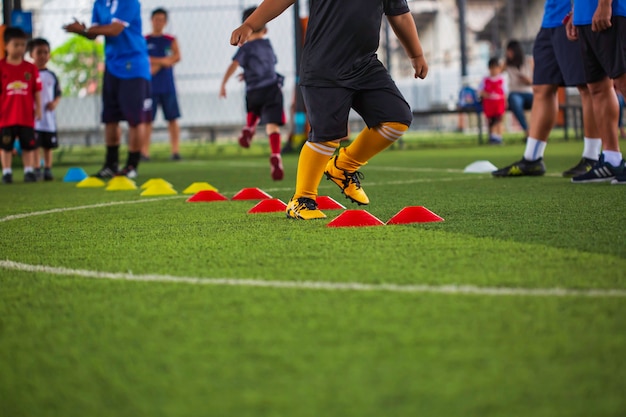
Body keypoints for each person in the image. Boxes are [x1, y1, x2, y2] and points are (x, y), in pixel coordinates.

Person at [230, 0, 427, 219]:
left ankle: (343, 167)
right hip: (323, 67)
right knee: (327, 136)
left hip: (365, 66)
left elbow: (400, 15)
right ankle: (301, 200)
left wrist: (416, 55)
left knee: (397, 118)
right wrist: (249, 24)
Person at [492, 0, 603, 178]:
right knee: (542, 88)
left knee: (587, 86)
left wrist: (577, 10)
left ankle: (592, 157)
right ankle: (532, 158)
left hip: (575, 15)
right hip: (549, 21)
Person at [63, 0, 151, 179]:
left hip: (133, 66)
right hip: (112, 66)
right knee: (110, 118)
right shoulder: (99, 4)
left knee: (134, 119)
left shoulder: (130, 2)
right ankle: (110, 164)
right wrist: (83, 30)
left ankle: (132, 165)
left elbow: (114, 29)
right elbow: (94, 34)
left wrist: (85, 30)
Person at [220, 6, 285, 181]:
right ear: (266, 28)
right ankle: (276, 155)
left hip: (254, 89)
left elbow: (233, 65)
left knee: (254, 109)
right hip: (272, 87)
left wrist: (224, 83)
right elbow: (269, 65)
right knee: (273, 125)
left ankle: (249, 128)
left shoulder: (245, 49)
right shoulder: (268, 44)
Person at [566, 0, 626, 184]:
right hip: (585, 16)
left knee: (623, 81)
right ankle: (611, 160)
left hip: (612, 11)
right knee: (598, 88)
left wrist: (605, 4)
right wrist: (576, 13)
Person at [0, 27, 42, 184]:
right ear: (5, 45)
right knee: (5, 146)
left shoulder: (30, 68)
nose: (20, 48)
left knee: (28, 145)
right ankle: (7, 172)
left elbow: (36, 90)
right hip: (6, 116)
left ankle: (29, 171)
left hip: (26, 116)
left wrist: (38, 108)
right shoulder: (1, 67)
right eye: (15, 44)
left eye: (22, 45)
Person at [143, 7, 182, 162]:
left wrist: (158, 63)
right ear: (151, 21)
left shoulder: (170, 40)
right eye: (156, 19)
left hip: (168, 86)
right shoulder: (144, 40)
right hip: (149, 87)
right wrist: (162, 62)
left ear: (165, 22)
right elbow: (143, 59)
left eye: (161, 20)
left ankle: (175, 151)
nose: (158, 22)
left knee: (172, 119)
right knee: (147, 120)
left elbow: (177, 56)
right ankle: (144, 152)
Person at [28, 38, 61, 181]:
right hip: (34, 119)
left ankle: (47, 168)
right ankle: (36, 168)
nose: (42, 55)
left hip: (48, 119)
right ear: (31, 54)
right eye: (39, 52)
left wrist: (54, 103)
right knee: (35, 145)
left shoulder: (52, 76)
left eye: (45, 52)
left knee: (48, 146)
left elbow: (58, 94)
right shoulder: (28, 74)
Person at [503, 40, 534, 138]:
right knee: (515, 101)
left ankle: (537, 130)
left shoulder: (529, 61)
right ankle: (527, 130)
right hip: (515, 93)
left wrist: (529, 81)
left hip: (529, 92)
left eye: (510, 51)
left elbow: (537, 79)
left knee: (541, 102)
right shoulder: (507, 64)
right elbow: (495, 72)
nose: (508, 54)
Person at [479, 57, 507, 145]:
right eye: (492, 68)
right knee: (491, 121)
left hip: (499, 103)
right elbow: (480, 91)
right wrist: (486, 94)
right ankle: (493, 137)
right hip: (489, 104)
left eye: (496, 68)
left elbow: (505, 92)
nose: (494, 70)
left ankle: (498, 136)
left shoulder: (502, 79)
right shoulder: (485, 80)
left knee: (498, 120)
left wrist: (505, 102)